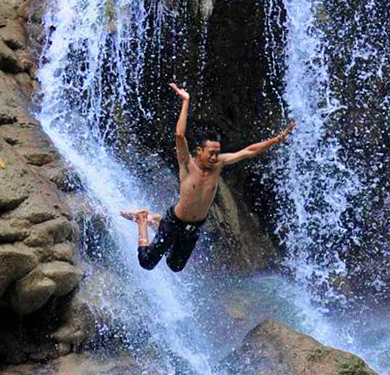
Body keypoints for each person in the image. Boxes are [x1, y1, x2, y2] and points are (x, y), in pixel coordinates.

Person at [121, 83, 295, 272]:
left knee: (175, 266)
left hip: (194, 227)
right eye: (211, 153)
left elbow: (249, 151)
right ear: (199, 151)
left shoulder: (218, 163)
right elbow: (179, 135)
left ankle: (155, 220)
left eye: (217, 153)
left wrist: (277, 139)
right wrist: (186, 101)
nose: (214, 157)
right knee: (147, 262)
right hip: (174, 222)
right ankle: (142, 219)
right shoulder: (187, 164)